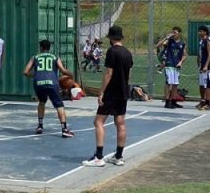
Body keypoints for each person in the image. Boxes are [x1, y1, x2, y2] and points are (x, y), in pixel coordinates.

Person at [82, 25, 133, 167]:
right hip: (123, 92)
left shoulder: (112, 52)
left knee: (98, 122)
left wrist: (102, 92)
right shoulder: (128, 53)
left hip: (111, 92)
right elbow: (129, 75)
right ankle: (118, 156)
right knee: (121, 123)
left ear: (111, 38)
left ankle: (98, 157)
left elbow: (109, 73)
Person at [22, 39, 75, 137]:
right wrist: (71, 75)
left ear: (41, 48)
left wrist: (35, 75)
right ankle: (64, 129)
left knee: (41, 102)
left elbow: (25, 72)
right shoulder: (55, 57)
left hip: (38, 83)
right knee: (59, 106)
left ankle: (40, 126)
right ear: (49, 48)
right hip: (52, 83)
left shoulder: (35, 57)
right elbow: (63, 70)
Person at [156, 26, 188, 108]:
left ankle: (173, 101)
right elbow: (158, 46)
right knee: (168, 83)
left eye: (175, 32)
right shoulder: (169, 41)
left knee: (175, 84)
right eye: (173, 32)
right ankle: (167, 101)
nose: (174, 34)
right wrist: (165, 38)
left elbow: (185, 55)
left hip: (176, 65)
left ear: (179, 33)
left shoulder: (182, 43)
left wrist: (181, 62)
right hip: (169, 64)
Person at [195, 25, 210, 110]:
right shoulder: (202, 41)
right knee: (202, 85)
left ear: (205, 32)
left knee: (208, 85)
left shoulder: (208, 41)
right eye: (199, 31)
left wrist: (207, 64)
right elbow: (200, 53)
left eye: (201, 31)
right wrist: (198, 61)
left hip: (208, 67)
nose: (199, 33)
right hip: (202, 66)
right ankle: (203, 101)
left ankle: (208, 102)